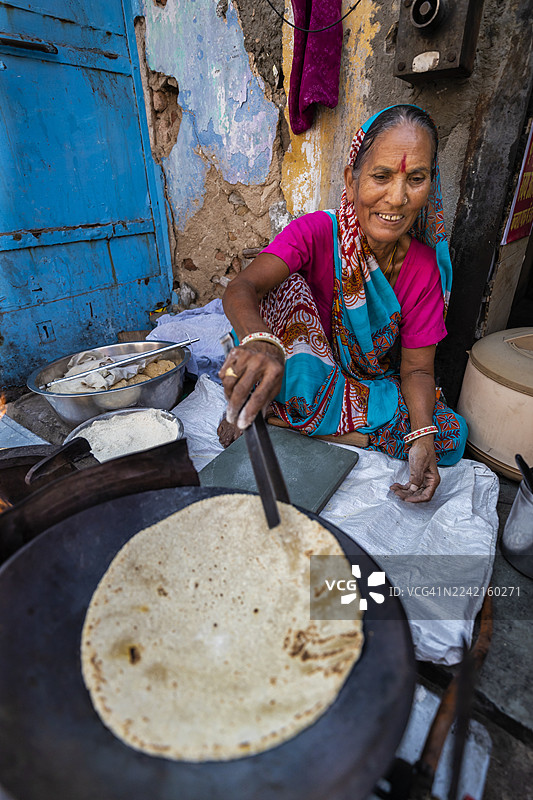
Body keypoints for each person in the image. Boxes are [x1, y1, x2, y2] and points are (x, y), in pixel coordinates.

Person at [218, 105, 467, 503]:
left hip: (360, 385)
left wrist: (421, 437)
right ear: (352, 180)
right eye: (381, 176)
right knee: (285, 291)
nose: (397, 198)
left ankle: (283, 418)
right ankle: (314, 415)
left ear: (430, 184)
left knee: (450, 436)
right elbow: (241, 287)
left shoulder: (424, 269)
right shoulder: (317, 232)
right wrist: (260, 341)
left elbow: (418, 369)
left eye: (415, 179)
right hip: (301, 367)